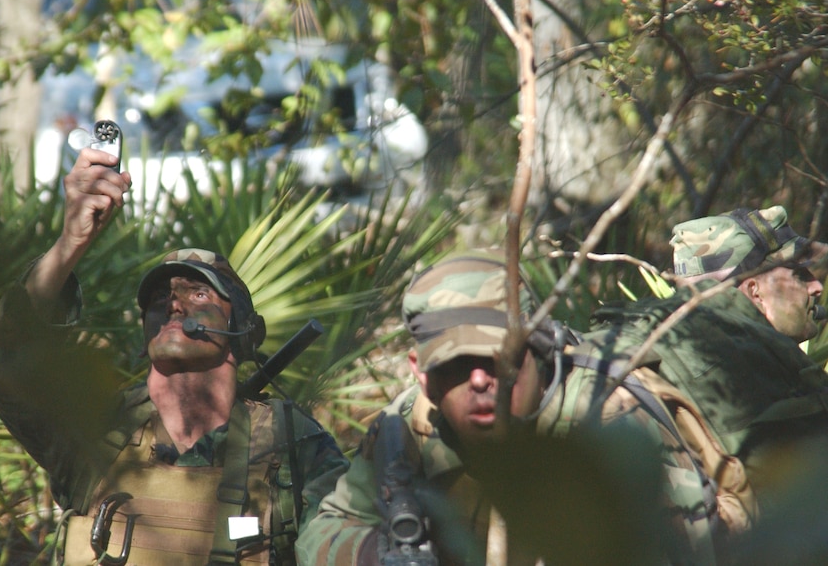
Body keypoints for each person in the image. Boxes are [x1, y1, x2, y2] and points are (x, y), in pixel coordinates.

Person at [0, 147, 349, 565]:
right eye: (159, 298)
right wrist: (70, 244)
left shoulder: (291, 443)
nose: (173, 304)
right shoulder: (98, 429)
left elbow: (347, 543)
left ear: (243, 331)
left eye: (199, 293)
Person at [296, 251, 680, 566]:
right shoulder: (412, 424)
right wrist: (380, 555)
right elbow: (322, 532)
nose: (479, 380)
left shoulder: (608, 422)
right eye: (456, 364)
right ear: (422, 373)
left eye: (499, 358)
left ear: (538, 347)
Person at [541, 206, 828, 541]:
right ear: (754, 292)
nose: (816, 287)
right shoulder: (749, 358)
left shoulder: (643, 339)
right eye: (800, 274)